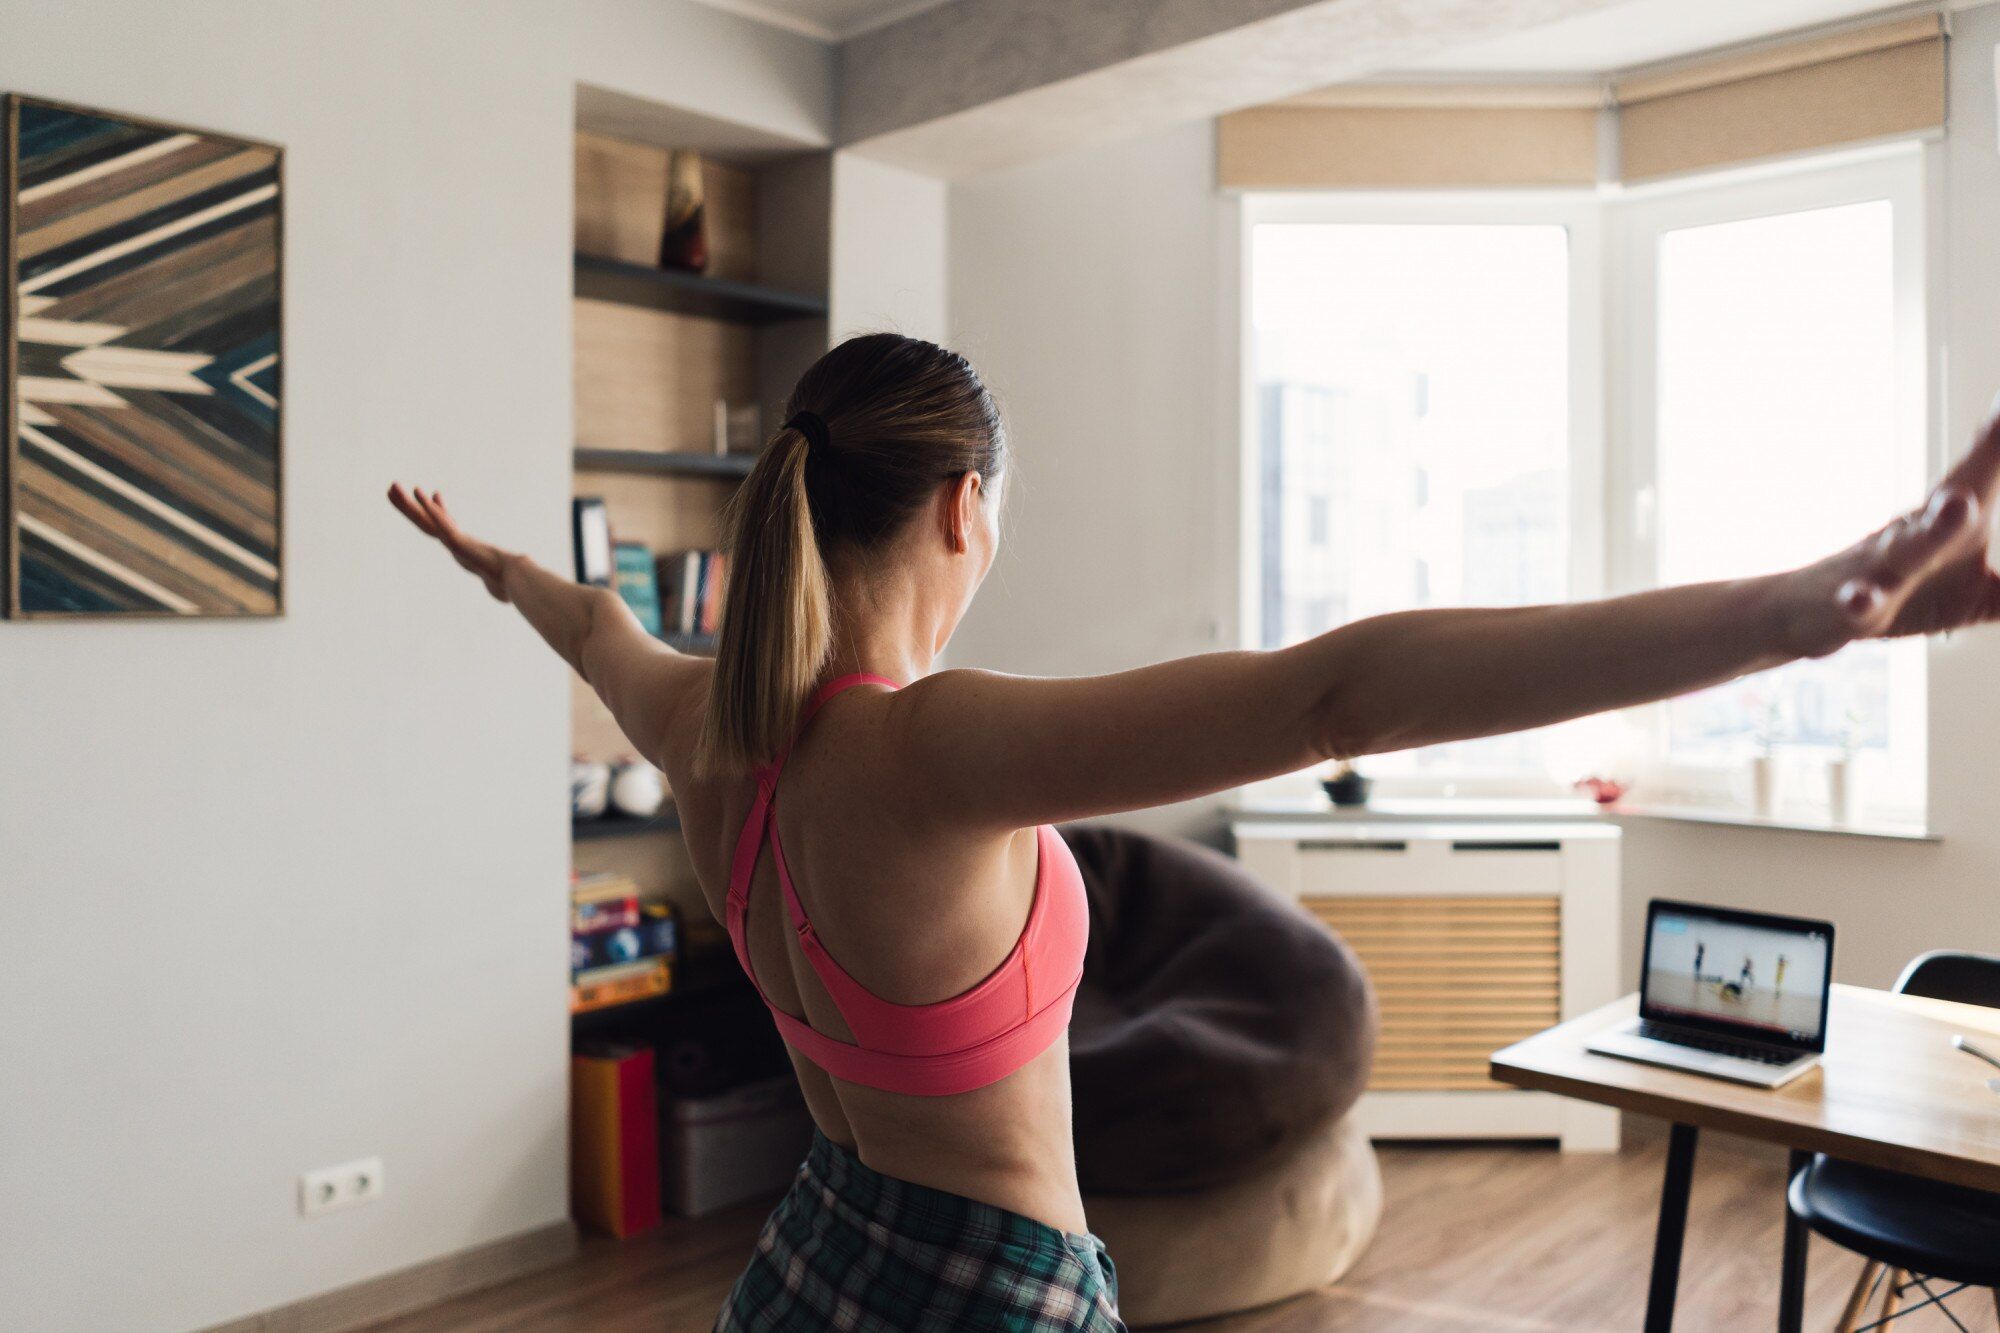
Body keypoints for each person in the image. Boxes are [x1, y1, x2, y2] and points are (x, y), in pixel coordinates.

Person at [389, 333, 2000, 1331]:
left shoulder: (707, 734)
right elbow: (1342, 692)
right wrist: (1805, 612)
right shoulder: (931, 748)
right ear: (965, 507)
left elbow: (590, 618)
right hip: (987, 1297)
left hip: (813, 1258)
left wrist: (488, 566)